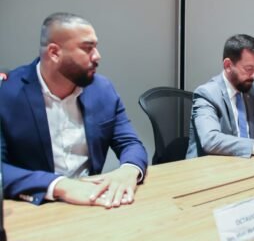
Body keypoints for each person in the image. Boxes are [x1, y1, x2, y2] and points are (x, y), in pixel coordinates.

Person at [0, 12, 148, 208]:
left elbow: (130, 143)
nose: (97, 56)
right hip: (34, 208)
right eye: (87, 48)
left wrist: (128, 171)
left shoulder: (102, 90)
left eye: (95, 47)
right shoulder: (7, 93)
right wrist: (60, 186)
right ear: (54, 52)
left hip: (94, 204)